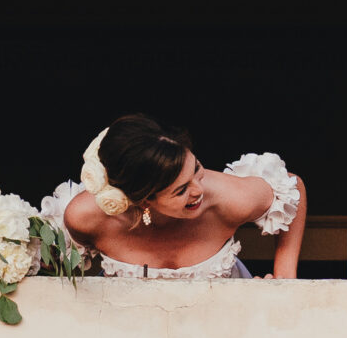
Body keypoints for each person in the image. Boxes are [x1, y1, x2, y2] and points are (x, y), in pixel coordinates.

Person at [42, 114, 307, 279]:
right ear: (143, 199)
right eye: (180, 191)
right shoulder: (86, 217)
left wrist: (285, 277)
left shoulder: (228, 197)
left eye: (196, 169)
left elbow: (292, 187)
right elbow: (51, 262)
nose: (198, 191)